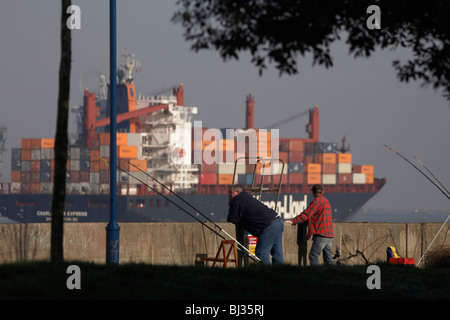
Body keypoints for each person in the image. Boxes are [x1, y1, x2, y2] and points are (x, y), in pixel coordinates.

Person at [227, 185, 284, 264]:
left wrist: (230, 204)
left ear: (237, 192)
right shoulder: (246, 197)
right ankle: (282, 274)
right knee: (277, 254)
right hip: (278, 221)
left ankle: (267, 275)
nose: (229, 195)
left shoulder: (237, 198)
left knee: (261, 254)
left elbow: (232, 219)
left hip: (269, 226)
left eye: (231, 192)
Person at [286, 184, 334, 265]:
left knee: (313, 256)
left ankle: (317, 275)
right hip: (329, 234)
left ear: (313, 192)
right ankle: (333, 274)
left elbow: (307, 214)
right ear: (322, 192)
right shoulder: (326, 201)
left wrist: (293, 221)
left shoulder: (316, 201)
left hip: (321, 233)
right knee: (328, 258)